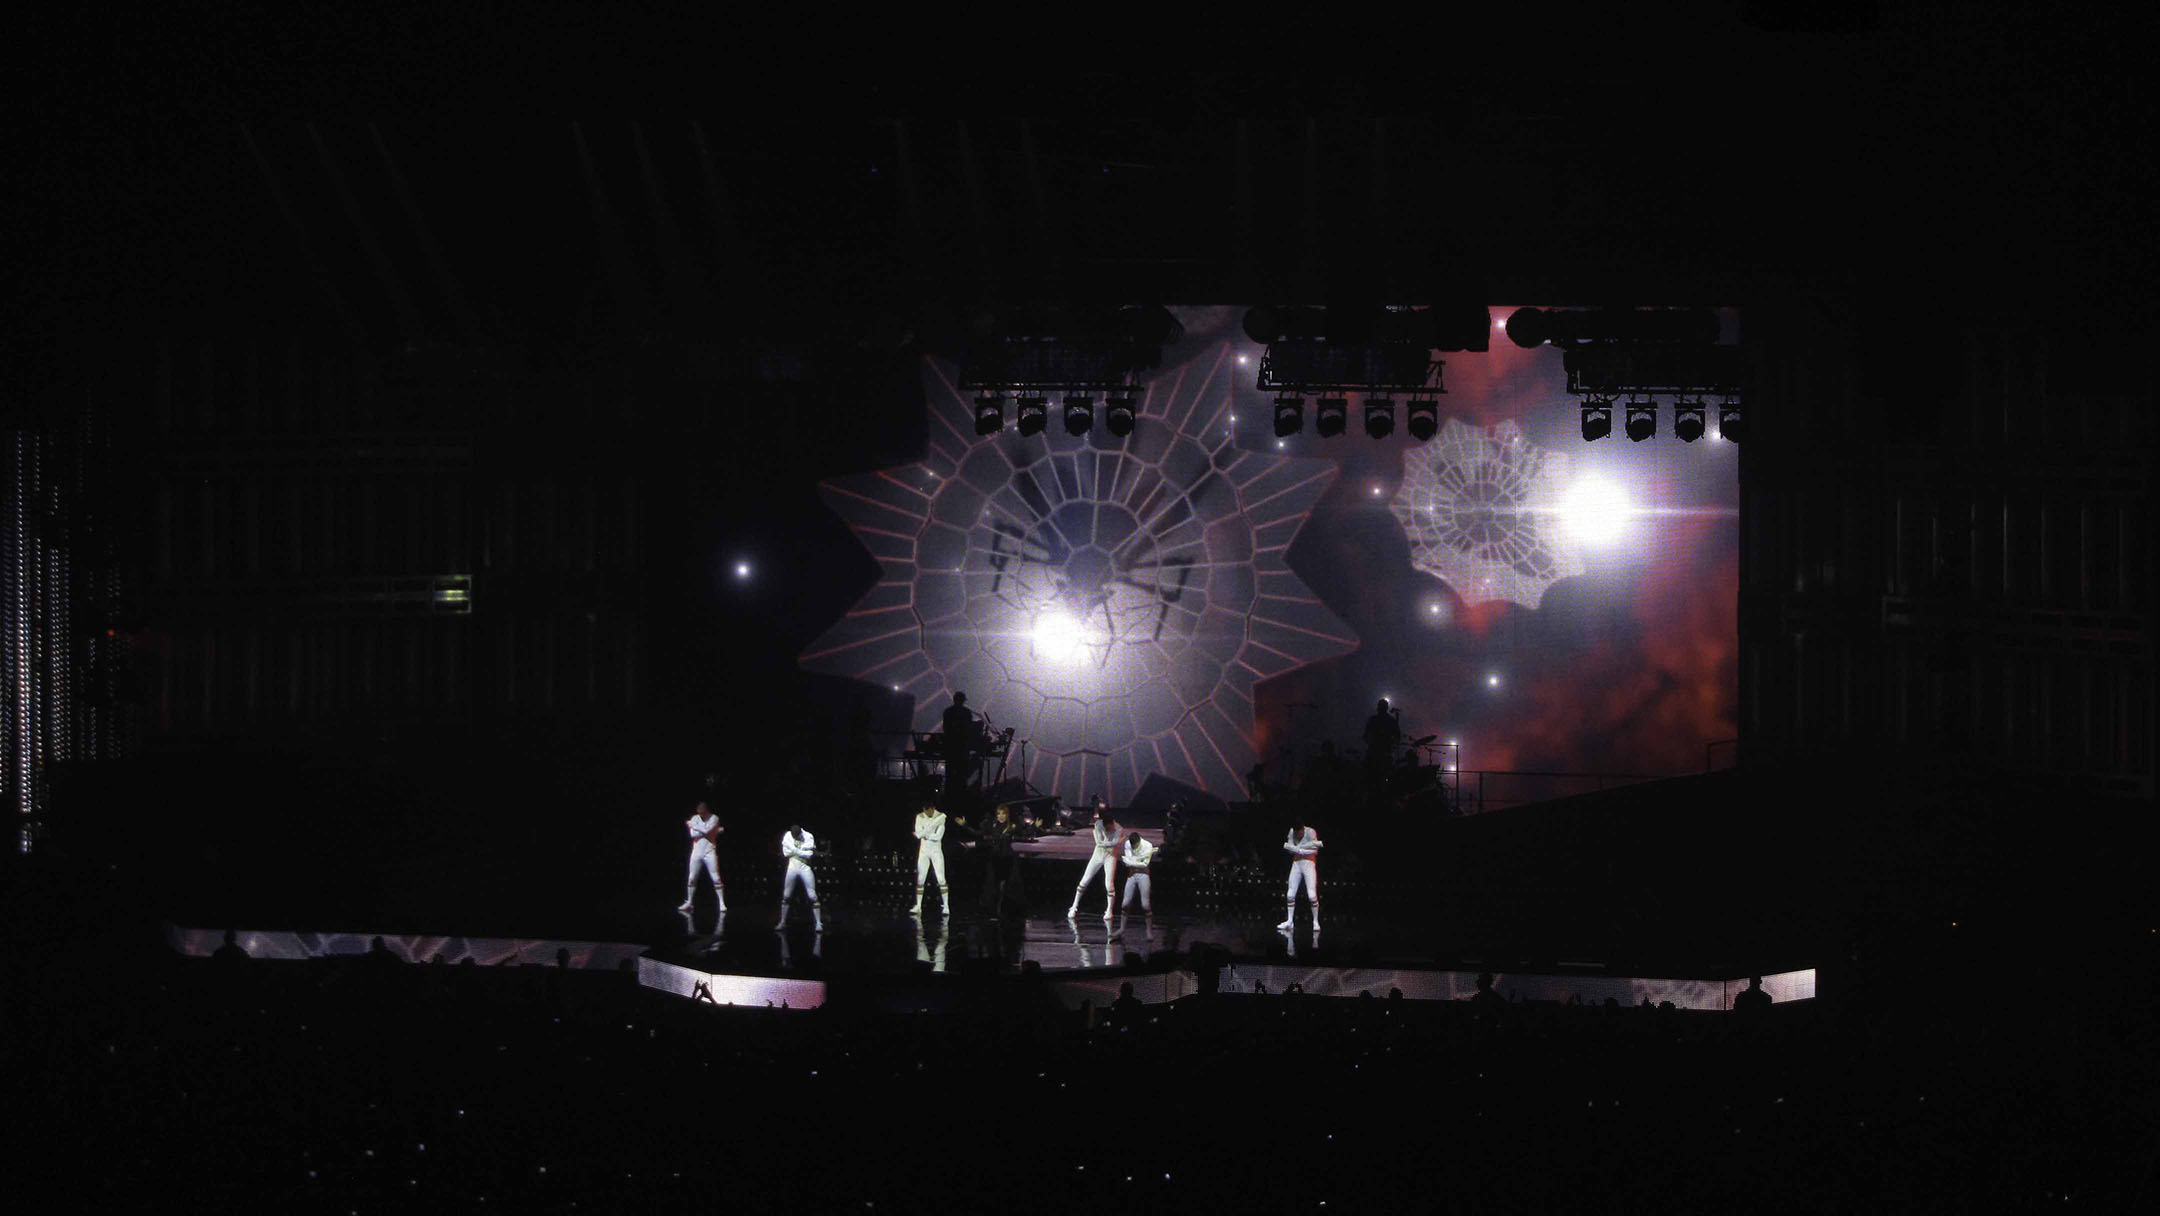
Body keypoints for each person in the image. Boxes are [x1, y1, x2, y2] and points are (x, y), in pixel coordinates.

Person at [1067, 804, 1120, 919]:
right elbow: (1099, 842)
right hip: (1098, 855)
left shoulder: (1118, 828)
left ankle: (1109, 910)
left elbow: (1113, 843)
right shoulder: (1098, 825)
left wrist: (1110, 842)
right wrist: (1110, 842)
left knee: (1109, 884)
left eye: (1109, 827)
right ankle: (1074, 906)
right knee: (1085, 880)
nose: (1107, 829)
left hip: (1110, 857)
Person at [678, 801, 727, 912]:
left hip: (709, 851)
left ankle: (721, 903)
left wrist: (694, 826)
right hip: (696, 852)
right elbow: (693, 834)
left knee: (716, 878)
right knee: (691, 878)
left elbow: (706, 830)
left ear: (706, 811)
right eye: (699, 812)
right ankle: (689, 902)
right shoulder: (695, 818)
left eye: (703, 812)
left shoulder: (714, 818)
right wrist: (713, 832)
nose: (701, 814)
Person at [1277, 822, 1323, 931]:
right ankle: (1290, 921)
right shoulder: (1292, 832)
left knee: (1312, 895)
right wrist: (1295, 849)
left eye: (1299, 832)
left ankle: (1315, 921)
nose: (1297, 835)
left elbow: (1315, 850)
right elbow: (1289, 849)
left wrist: (1301, 850)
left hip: (1309, 863)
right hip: (1297, 863)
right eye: (1296, 833)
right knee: (1290, 894)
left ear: (1303, 829)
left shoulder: (1310, 832)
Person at [776, 823, 821, 931]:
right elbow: (785, 853)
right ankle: (782, 922)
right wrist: (801, 851)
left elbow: (810, 854)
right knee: (786, 896)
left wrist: (793, 850)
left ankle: (819, 923)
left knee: (812, 895)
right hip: (792, 866)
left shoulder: (808, 836)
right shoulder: (787, 835)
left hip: (805, 867)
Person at [979, 803, 1018, 917]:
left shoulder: (1011, 826)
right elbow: (979, 833)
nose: (1001, 816)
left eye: (1003, 813)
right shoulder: (993, 826)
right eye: (999, 814)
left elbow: (1024, 834)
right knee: (995, 884)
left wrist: (1034, 827)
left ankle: (1002, 909)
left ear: (1007, 815)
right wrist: (965, 824)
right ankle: (996, 910)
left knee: (1004, 885)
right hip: (995, 858)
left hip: (1008, 858)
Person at [911, 801, 949, 916]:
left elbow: (938, 836)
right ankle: (918, 906)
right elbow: (918, 833)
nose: (926, 813)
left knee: (941, 878)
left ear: (933, 809)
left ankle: (946, 906)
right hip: (923, 851)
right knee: (921, 878)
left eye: (928, 811)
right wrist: (923, 832)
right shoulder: (920, 817)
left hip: (936, 851)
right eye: (925, 811)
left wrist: (924, 833)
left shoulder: (941, 817)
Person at [940, 691, 979, 796]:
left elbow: (946, 728)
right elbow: (969, 728)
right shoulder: (966, 712)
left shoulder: (948, 711)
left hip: (951, 747)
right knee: (962, 774)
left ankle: (949, 795)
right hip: (962, 747)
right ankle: (961, 796)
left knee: (950, 773)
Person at [1119, 830, 1155, 914]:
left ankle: (1148, 927)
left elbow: (1145, 864)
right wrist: (1138, 860)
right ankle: (1122, 927)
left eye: (1135, 846)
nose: (1134, 848)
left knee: (1145, 905)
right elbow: (1128, 861)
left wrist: (1131, 862)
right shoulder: (1128, 844)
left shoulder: (1148, 845)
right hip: (1132, 874)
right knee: (1125, 904)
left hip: (1143, 875)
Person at [1363, 699, 1400, 780]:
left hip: (1374, 753)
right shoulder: (1391, 721)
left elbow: (1365, 736)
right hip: (1384, 754)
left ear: (1378, 708)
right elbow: (1397, 737)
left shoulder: (1373, 719)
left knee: (1372, 778)